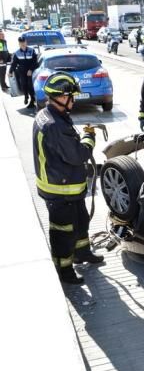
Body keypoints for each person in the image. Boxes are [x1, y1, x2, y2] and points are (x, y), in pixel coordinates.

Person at [32, 72, 104, 285]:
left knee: (81, 221)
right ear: (57, 97)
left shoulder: (52, 115)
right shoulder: (54, 124)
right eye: (69, 96)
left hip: (67, 186)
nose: (73, 100)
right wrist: (89, 138)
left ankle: (82, 253)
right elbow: (78, 155)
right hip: (59, 191)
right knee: (63, 232)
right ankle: (64, 270)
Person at [9, 35, 38, 108]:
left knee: (30, 86)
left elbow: (35, 61)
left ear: (26, 42)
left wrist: (31, 70)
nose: (22, 44)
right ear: (19, 43)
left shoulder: (31, 51)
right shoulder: (17, 53)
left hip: (30, 72)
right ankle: (26, 96)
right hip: (22, 72)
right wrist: (10, 71)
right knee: (23, 85)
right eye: (21, 42)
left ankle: (32, 100)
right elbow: (14, 63)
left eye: (23, 42)